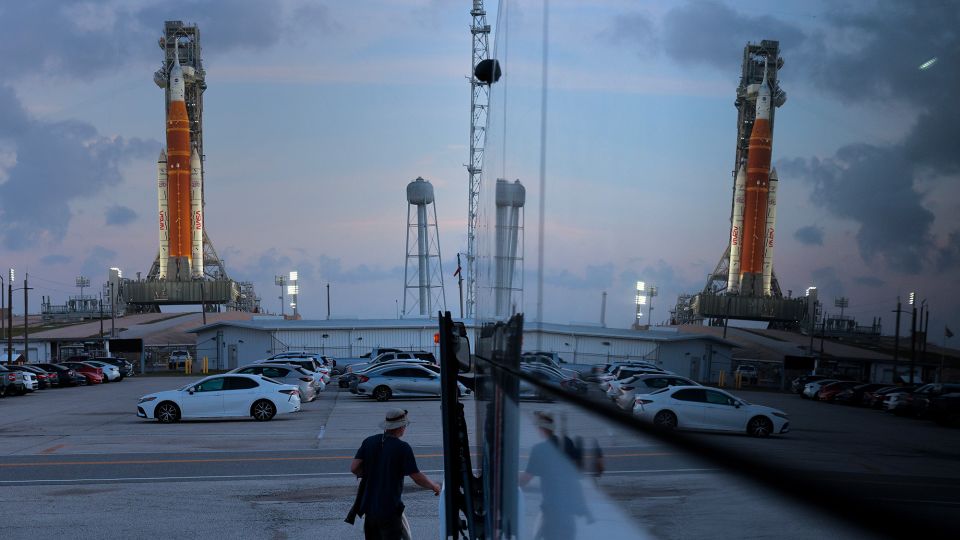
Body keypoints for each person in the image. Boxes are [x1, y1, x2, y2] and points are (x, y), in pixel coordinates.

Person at [349, 408, 441, 540]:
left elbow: (354, 468)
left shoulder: (369, 441)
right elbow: (417, 477)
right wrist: (434, 486)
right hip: (389, 510)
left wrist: (372, 473)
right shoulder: (402, 447)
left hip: (370, 509)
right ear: (401, 427)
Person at [519, 411, 591, 540]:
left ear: (541, 429)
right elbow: (578, 471)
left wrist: (512, 484)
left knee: (537, 535)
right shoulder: (567, 442)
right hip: (568, 510)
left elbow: (526, 479)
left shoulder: (539, 449)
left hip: (550, 510)